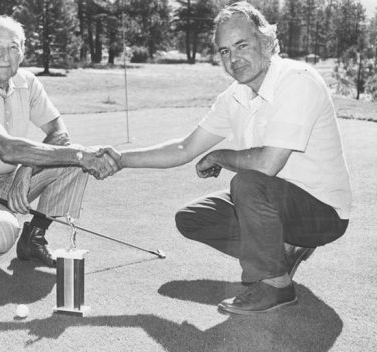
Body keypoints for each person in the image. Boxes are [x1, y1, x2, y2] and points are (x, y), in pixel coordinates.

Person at [101, 1, 351, 315]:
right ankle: (282, 255)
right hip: (276, 202)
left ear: (266, 42)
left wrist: (219, 155)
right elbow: (184, 148)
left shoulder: (297, 80)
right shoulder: (234, 95)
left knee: (246, 182)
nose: (233, 58)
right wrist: (120, 160)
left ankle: (276, 286)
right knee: (193, 218)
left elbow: (266, 164)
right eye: (224, 51)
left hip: (322, 211)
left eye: (241, 44)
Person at [0, 15, 119, 269]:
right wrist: (79, 154)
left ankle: (34, 238)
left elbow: (59, 133)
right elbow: (7, 149)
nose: (5, 55)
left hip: (9, 180)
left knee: (73, 163)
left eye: (13, 47)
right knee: (2, 235)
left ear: (22, 52)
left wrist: (27, 169)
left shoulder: (28, 82)